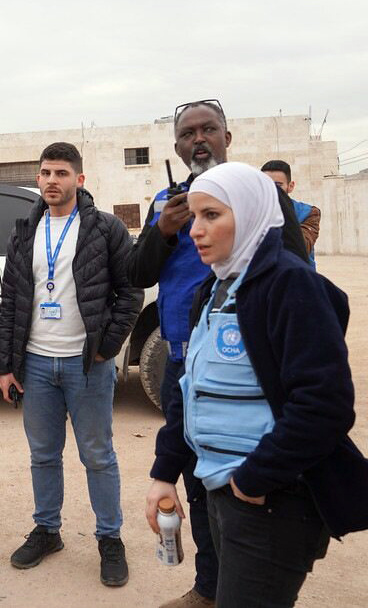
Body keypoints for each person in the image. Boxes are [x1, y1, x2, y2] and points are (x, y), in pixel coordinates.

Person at [145, 161, 368, 608]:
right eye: (194, 217)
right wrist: (164, 471)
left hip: (270, 502)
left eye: (212, 215)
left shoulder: (289, 284)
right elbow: (189, 390)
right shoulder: (215, 287)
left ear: (249, 214)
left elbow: (325, 405)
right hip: (225, 493)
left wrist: (253, 480)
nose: (195, 231)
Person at [126, 99, 309, 608]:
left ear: (228, 136)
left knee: (253, 487)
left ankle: (249, 584)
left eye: (209, 129)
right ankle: (210, 588)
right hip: (184, 363)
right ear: (177, 146)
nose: (199, 139)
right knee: (198, 483)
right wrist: (163, 231)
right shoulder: (167, 200)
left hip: (247, 368)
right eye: (188, 133)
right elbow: (138, 274)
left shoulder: (257, 195)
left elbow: (295, 276)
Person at [0, 142, 141, 585]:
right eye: (45, 173)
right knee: (43, 455)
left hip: (86, 365)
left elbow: (130, 292)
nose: (52, 181)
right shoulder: (24, 232)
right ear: (37, 180)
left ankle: (109, 538)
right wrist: (6, 366)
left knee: (97, 455)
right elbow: (10, 301)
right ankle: (47, 530)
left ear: (80, 179)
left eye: (61, 173)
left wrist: (106, 348)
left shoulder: (106, 229)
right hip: (36, 363)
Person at [262, 159, 320, 266]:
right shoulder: (254, 211)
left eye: (278, 185)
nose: (272, 189)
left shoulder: (309, 213)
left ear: (290, 186)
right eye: (267, 184)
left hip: (298, 277)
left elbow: (301, 247)